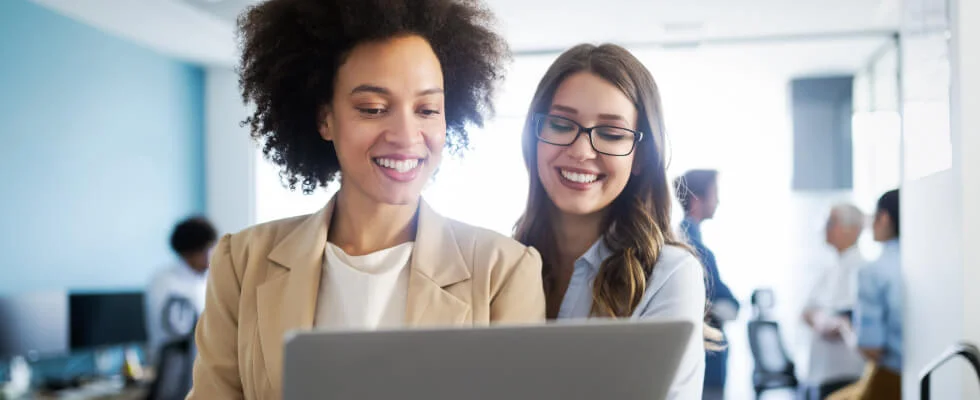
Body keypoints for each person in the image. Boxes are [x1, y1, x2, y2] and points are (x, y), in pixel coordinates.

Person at [188, 1, 545, 398]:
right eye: (373, 108)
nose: (406, 135)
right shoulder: (242, 263)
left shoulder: (504, 271)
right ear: (325, 119)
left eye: (427, 109)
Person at [513, 43, 713, 400]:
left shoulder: (669, 275)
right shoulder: (500, 263)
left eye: (611, 133)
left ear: (640, 157)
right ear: (535, 136)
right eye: (561, 124)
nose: (581, 151)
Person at [828, 189, 903, 400]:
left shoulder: (873, 271)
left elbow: (871, 349)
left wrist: (844, 326)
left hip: (891, 378)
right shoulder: (927, 264)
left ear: (885, 218)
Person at [674, 169, 739, 398]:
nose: (718, 200)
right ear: (696, 199)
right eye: (715, 193)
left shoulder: (683, 239)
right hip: (704, 365)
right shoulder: (695, 249)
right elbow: (728, 305)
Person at [800, 204, 867, 398]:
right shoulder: (829, 267)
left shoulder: (861, 270)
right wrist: (822, 320)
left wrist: (823, 320)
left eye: (832, 222)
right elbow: (806, 312)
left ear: (853, 229)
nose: (825, 228)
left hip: (845, 373)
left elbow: (842, 320)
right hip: (819, 373)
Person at [145, 217, 215, 364]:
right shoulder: (165, 282)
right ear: (190, 252)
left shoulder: (203, 281)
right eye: (207, 249)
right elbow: (178, 329)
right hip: (176, 370)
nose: (212, 255)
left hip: (201, 366)